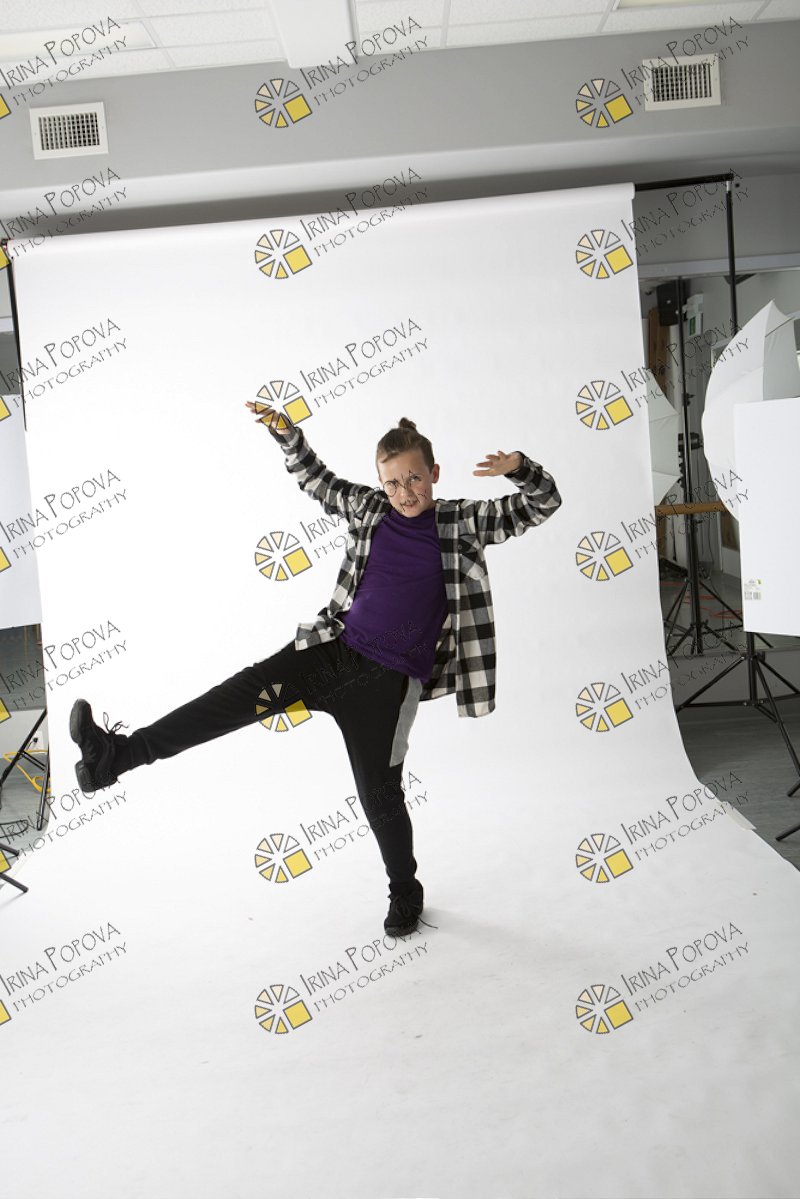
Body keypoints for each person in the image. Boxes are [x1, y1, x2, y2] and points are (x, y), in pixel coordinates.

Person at [70, 403, 562, 935]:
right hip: (329, 653)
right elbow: (317, 481)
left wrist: (518, 467)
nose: (404, 492)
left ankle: (405, 891)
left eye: (414, 479)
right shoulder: (369, 508)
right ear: (381, 483)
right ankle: (115, 757)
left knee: (379, 794)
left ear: (434, 474)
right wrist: (289, 436)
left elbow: (542, 503)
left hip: (387, 684)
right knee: (234, 696)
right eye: (393, 482)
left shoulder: (460, 522)